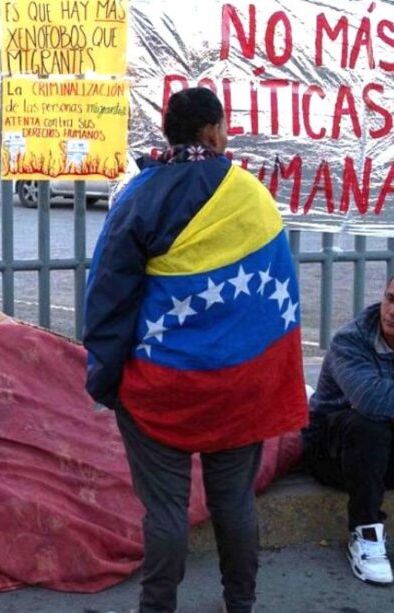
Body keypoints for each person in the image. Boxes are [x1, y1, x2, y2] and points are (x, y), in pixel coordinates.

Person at [83, 87, 307, 613]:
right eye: (224, 127)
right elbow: (278, 293)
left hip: (161, 389)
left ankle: (157, 606)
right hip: (239, 388)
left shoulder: (138, 197)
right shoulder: (250, 194)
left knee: (165, 511)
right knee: (234, 503)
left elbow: (108, 302)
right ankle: (240, 603)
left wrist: (108, 382)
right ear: (211, 132)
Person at [302, 277, 394, 585]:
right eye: (391, 299)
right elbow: (372, 400)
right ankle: (365, 533)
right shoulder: (351, 341)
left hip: (385, 457)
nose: (392, 310)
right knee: (369, 424)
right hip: (334, 454)